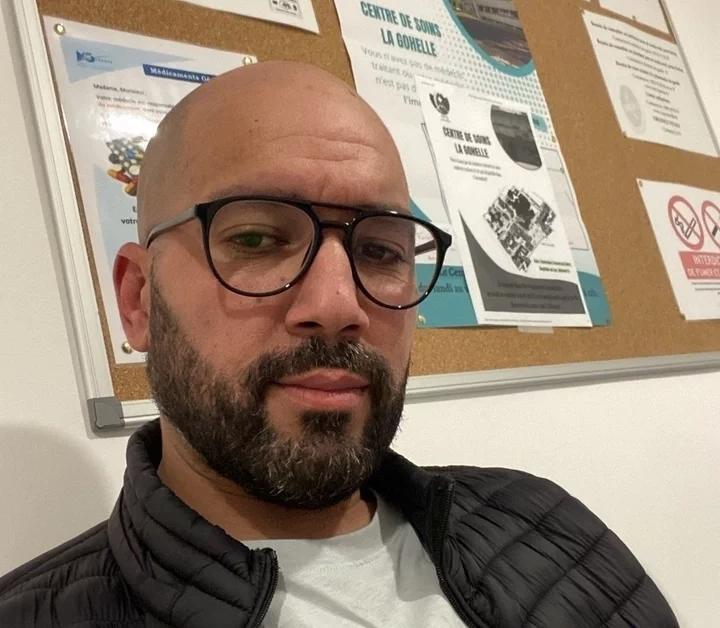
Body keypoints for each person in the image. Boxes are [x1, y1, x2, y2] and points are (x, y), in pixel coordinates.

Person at [0, 62, 678, 627]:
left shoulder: (546, 527)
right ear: (139, 300)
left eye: (380, 250)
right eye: (256, 239)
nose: (337, 307)